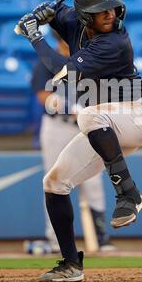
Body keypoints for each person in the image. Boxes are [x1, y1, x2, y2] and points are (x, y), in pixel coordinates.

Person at [15, 0, 142, 282]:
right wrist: (45, 12)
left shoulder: (115, 42)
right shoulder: (74, 19)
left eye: (111, 8)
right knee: (54, 183)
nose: (109, 14)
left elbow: (62, 73)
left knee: (89, 115)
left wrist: (34, 36)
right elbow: (57, 12)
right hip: (107, 121)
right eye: (101, 11)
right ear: (85, 16)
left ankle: (129, 193)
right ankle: (71, 265)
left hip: (135, 116)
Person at [31, 37, 115, 253]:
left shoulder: (87, 60)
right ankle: (55, 239)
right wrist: (68, 106)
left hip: (85, 125)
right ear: (60, 41)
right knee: (53, 179)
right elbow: (43, 96)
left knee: (94, 179)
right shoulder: (47, 62)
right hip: (57, 126)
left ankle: (101, 236)